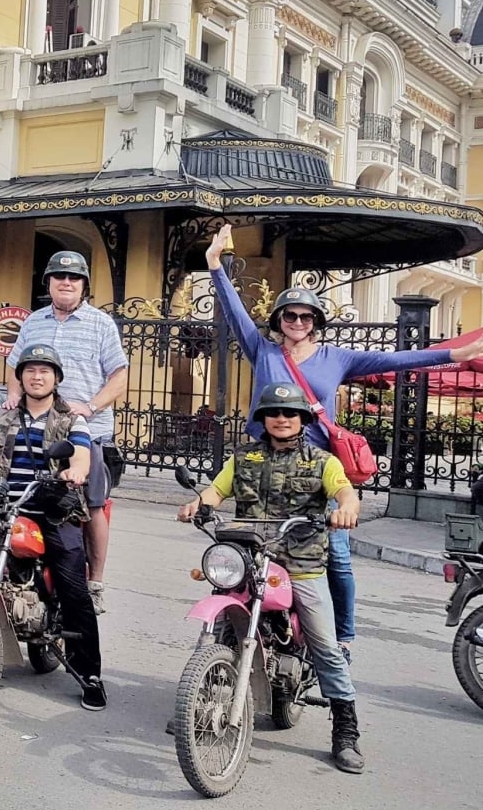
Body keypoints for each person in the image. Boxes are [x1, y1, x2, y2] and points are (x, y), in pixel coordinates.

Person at [205, 222, 483, 661]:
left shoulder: (338, 358)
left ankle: (343, 637)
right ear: (278, 321)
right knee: (245, 552)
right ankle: (234, 634)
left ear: (316, 323)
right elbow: (235, 312)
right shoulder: (264, 351)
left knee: (334, 557)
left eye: (306, 316)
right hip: (261, 466)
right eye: (289, 315)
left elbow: (397, 358)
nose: (297, 322)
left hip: (317, 467)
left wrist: (453, 354)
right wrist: (215, 266)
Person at [177, 381, 365, 774]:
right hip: (249, 557)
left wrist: (345, 507)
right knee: (219, 626)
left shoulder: (321, 461)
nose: (282, 419)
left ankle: (346, 731)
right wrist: (198, 503)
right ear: (263, 419)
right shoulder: (243, 458)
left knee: (326, 645)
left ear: (302, 419)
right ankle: (196, 702)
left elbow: (346, 492)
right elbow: (216, 490)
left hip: (301, 564)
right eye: (274, 414)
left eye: (290, 413)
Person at [0, 343, 104, 711]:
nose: (37, 376)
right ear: (20, 377)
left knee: (72, 586)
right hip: (6, 507)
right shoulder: (4, 418)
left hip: (52, 509)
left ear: (56, 378)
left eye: (45, 371)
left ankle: (90, 674)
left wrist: (77, 468)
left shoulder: (70, 418)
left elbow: (80, 451)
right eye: (30, 370)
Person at [7, 250, 126, 614]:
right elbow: (14, 368)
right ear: (49, 283)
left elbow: (119, 376)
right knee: (12, 490)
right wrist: (12, 401)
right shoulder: (33, 322)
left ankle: (96, 582)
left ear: (84, 285)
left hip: (86, 430)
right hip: (37, 426)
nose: (66, 282)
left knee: (90, 506)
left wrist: (89, 406)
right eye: (59, 277)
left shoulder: (101, 323)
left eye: (74, 278)